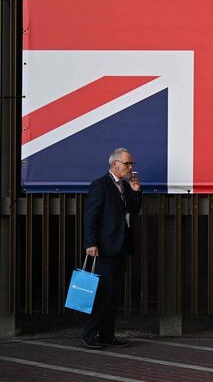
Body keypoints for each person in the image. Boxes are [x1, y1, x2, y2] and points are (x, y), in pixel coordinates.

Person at [82, 148, 142, 349]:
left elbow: (133, 210)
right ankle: (89, 335)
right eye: (127, 164)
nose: (131, 167)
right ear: (115, 164)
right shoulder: (100, 185)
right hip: (104, 248)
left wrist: (135, 191)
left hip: (120, 247)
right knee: (101, 293)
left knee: (114, 294)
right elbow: (91, 216)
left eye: (131, 164)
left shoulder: (124, 186)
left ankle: (107, 335)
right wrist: (90, 242)